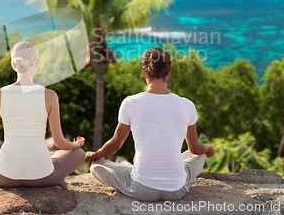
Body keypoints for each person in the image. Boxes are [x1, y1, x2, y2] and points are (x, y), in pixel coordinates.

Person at [85, 47, 214, 201]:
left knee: (95, 166)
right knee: (200, 155)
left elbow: (115, 145)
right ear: (169, 72)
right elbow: (194, 148)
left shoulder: (130, 103)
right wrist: (208, 149)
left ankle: (133, 169)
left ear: (144, 73)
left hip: (141, 189)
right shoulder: (187, 105)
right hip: (177, 190)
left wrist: (95, 155)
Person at [0, 41, 86, 187]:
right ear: (37, 63)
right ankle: (45, 159)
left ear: (13, 64)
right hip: (43, 177)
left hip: (4, 177)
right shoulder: (50, 95)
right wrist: (76, 144)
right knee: (79, 153)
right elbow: (60, 143)